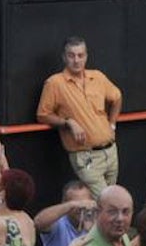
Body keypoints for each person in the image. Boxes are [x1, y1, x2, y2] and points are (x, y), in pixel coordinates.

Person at [36, 36, 122, 198]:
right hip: (85, 155)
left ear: (86, 56)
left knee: (108, 204)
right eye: (71, 55)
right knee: (106, 200)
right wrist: (68, 122)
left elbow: (117, 97)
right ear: (64, 57)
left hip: (110, 151)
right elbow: (43, 115)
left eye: (80, 55)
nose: (76, 60)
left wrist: (112, 124)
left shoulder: (97, 76)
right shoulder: (55, 83)